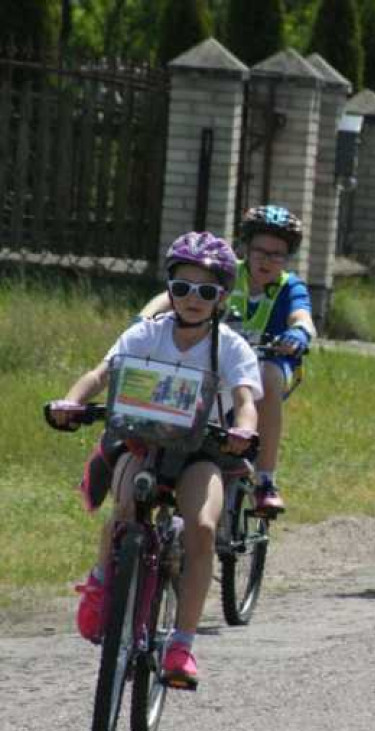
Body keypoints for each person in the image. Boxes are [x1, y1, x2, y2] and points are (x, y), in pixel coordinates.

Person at [50, 232, 262, 688]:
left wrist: (244, 429)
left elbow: (245, 398)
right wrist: (70, 402)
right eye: (182, 287)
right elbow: (102, 374)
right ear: (169, 289)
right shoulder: (146, 333)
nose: (193, 299)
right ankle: (102, 580)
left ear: (222, 297)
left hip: (201, 453)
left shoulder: (231, 346)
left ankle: (182, 645)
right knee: (124, 509)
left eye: (207, 291)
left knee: (203, 528)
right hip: (142, 443)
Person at [139, 205, 314, 515]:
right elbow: (170, 296)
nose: (268, 261)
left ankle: (265, 481)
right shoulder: (226, 271)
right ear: (245, 247)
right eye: (261, 252)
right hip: (221, 359)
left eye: (278, 255)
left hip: (273, 362)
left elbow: (303, 316)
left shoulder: (291, 287)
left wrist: (299, 333)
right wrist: (145, 317)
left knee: (267, 377)